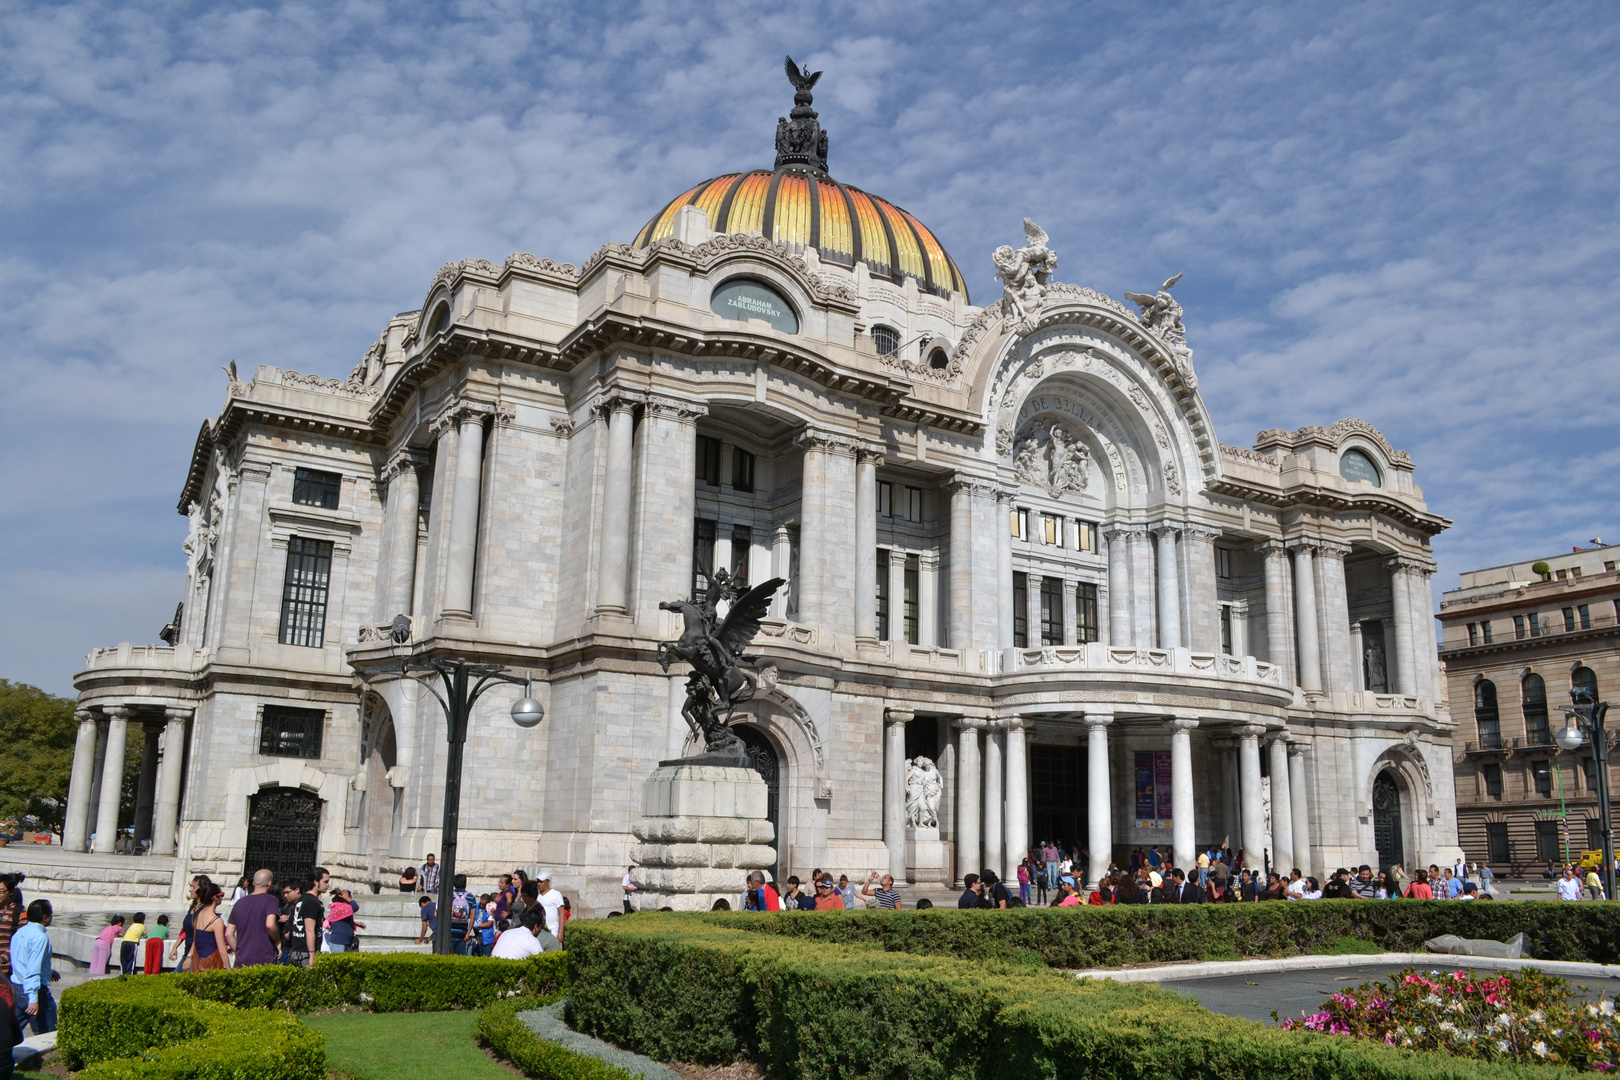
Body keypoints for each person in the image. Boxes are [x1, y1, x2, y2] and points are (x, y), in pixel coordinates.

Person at [9, 900, 56, 1035]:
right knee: (48, 1035)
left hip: (17, 988)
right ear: (45, 917)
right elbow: (32, 969)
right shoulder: (40, 938)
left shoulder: (20, 933)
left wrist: (49, 972)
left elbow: (22, 962)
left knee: (10, 1033)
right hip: (35, 991)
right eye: (51, 914)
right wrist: (33, 999)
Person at [228, 869, 283, 968]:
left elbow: (228, 934)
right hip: (265, 958)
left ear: (253, 883)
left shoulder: (239, 903)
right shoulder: (271, 900)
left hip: (242, 961)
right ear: (269, 883)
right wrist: (278, 941)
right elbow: (270, 925)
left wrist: (240, 951)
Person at [286, 871, 325, 968]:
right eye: (325, 882)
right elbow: (309, 929)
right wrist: (312, 955)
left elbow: (287, 933)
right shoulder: (311, 901)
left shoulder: (301, 900)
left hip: (296, 951)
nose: (328, 885)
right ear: (316, 882)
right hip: (305, 954)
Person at [492, 908, 561, 958]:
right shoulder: (533, 941)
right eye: (540, 927)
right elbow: (540, 963)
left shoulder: (506, 933)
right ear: (536, 927)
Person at [191, 881, 229, 971]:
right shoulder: (216, 921)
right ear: (215, 898)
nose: (222, 898)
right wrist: (229, 970)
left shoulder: (198, 915)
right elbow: (222, 950)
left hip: (197, 961)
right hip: (211, 963)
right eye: (221, 895)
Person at [447, 874, 477, 954]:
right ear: (465, 883)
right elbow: (473, 917)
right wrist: (468, 933)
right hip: (463, 933)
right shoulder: (470, 897)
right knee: (459, 959)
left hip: (449, 932)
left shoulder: (449, 895)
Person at [533, 871, 566, 938]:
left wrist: (561, 932)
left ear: (548, 882)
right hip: (538, 931)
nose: (539, 884)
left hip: (552, 930)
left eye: (541, 882)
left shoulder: (556, 894)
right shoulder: (536, 895)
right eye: (538, 881)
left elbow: (562, 912)